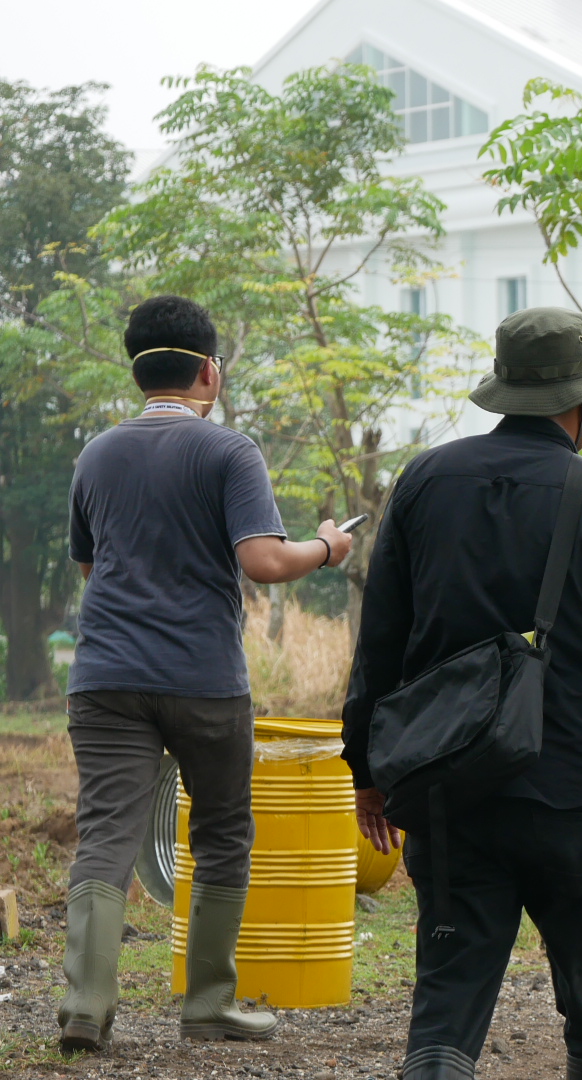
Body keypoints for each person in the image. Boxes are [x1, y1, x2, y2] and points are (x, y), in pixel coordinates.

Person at [342, 308, 582, 1080]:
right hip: (573, 795)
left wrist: (365, 769)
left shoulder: (423, 482)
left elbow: (379, 643)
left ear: (505, 391)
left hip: (449, 790)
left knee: (446, 1010)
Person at [59, 296, 353, 1052]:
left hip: (105, 676)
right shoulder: (230, 451)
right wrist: (327, 546)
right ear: (208, 373)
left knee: (107, 832)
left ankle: (86, 1005)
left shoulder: (96, 454)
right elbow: (265, 561)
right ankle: (209, 1005)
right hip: (203, 679)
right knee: (221, 832)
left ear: (139, 374)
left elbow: (93, 567)